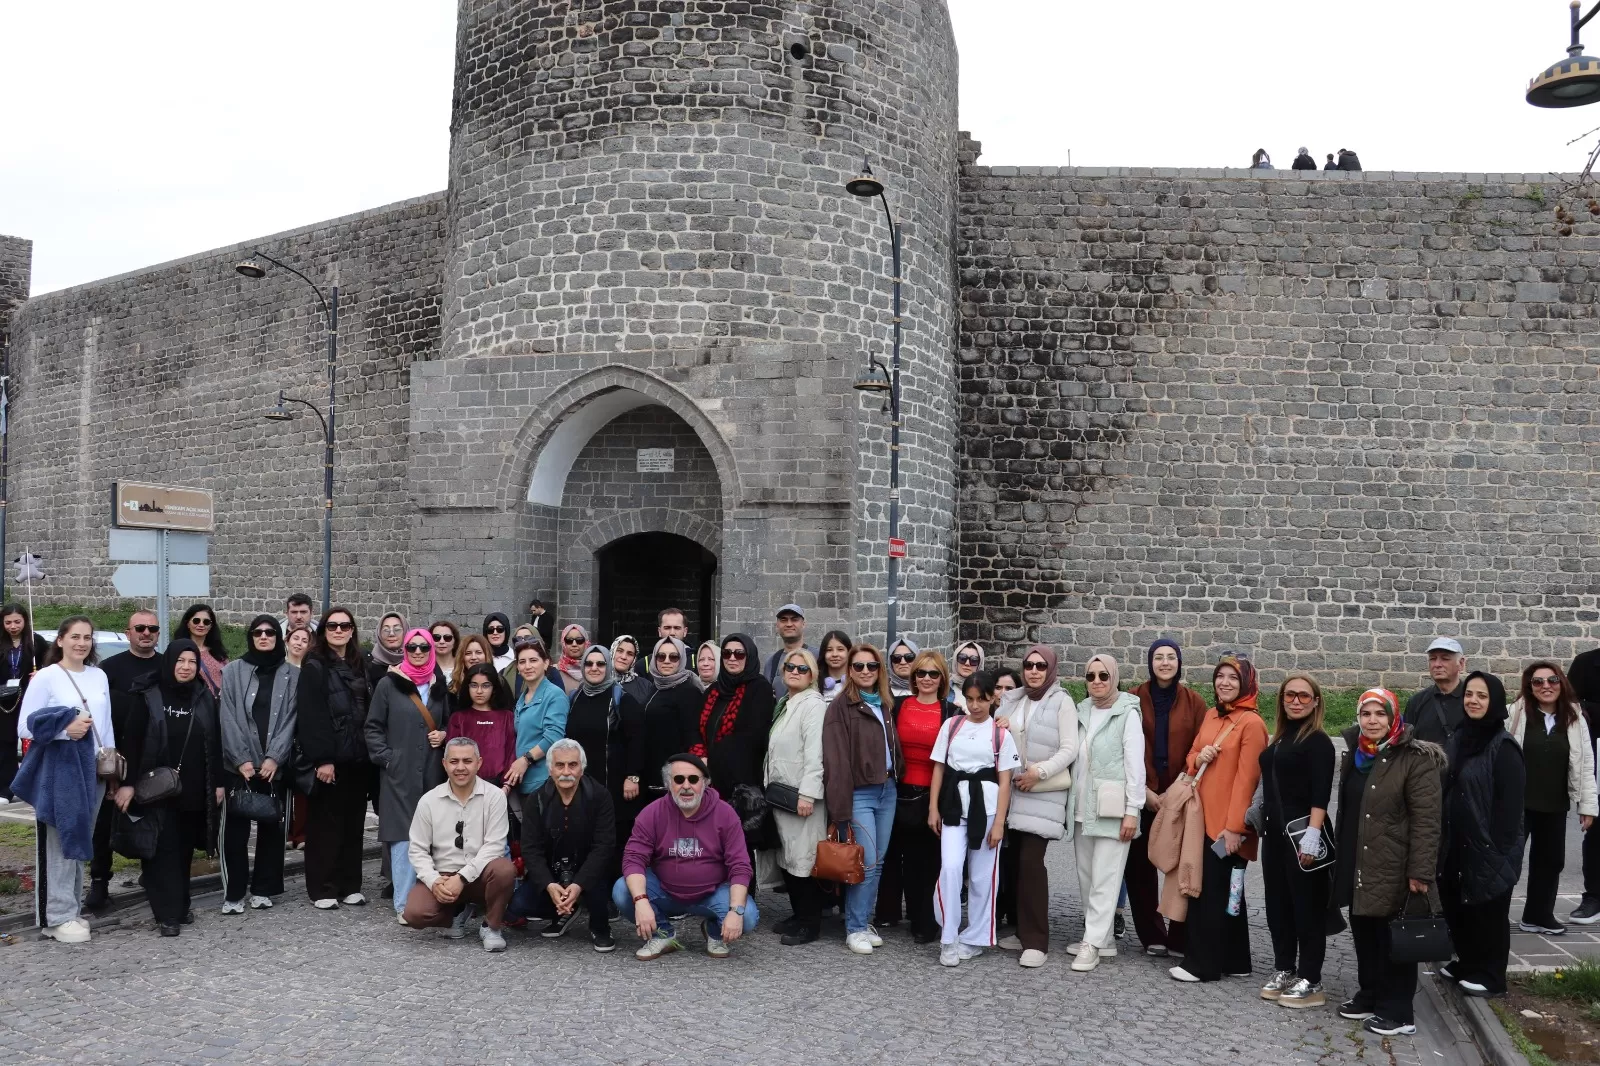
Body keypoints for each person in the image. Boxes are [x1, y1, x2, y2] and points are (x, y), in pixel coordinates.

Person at [1332, 688, 1443, 1037]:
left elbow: (1427, 820)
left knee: (1392, 937)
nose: (1373, 720)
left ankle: (1398, 1012)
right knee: (1364, 932)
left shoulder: (1414, 758)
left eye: (1380, 714)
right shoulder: (1356, 755)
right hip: (1358, 860)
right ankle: (1370, 994)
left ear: (1393, 717)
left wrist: (1420, 871)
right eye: (1366, 714)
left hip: (1394, 864)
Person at [1169, 654, 1268, 983]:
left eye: (1233, 678)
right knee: (1230, 893)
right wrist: (1202, 755)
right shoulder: (1212, 714)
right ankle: (1236, 960)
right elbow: (1191, 756)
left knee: (1211, 893)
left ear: (1246, 684)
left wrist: (1235, 829)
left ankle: (1203, 965)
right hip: (1203, 819)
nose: (1224, 682)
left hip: (1226, 828)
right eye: (1220, 676)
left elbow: (1247, 780)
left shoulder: (1252, 724)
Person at [114, 639, 224, 936]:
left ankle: (181, 905)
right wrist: (126, 785)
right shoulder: (148, 696)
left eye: (191, 662)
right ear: (169, 663)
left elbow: (215, 742)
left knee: (185, 850)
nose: (186, 667)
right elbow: (132, 743)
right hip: (155, 790)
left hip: (192, 789)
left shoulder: (203, 696)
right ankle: (166, 914)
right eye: (180, 661)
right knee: (161, 851)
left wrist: (218, 783)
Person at [16, 616, 111, 943]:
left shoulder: (99, 675)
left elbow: (106, 724)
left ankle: (69, 909)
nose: (81, 643)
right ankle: (54, 916)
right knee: (58, 842)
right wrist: (63, 731)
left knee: (79, 843)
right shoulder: (46, 677)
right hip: (60, 771)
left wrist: (108, 763)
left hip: (93, 771)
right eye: (75, 637)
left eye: (87, 637)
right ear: (61, 640)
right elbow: (25, 726)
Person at [611, 753, 759, 959]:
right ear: (668, 784)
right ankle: (663, 935)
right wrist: (641, 901)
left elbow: (740, 865)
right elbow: (633, 858)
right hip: (664, 890)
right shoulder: (651, 813)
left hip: (712, 893)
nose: (686, 786)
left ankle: (714, 932)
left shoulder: (725, 814)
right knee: (622, 890)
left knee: (748, 916)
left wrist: (735, 911)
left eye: (694, 779)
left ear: (706, 783)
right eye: (678, 779)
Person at [1439, 671, 1525, 998]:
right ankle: (1468, 962)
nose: (1473, 701)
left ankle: (1491, 975)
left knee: (1488, 912)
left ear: (1495, 702)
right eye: (1469, 694)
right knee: (1459, 907)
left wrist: (1498, 851)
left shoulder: (1503, 747)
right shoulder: (1460, 737)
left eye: (1482, 696)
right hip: (1457, 843)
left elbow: (1511, 808)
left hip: (1489, 847)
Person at [928, 668, 1020, 966]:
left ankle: (976, 937)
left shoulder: (1001, 734)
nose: (975, 705)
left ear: (993, 697)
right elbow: (939, 768)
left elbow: (1005, 781)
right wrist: (933, 808)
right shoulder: (951, 726)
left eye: (981, 699)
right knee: (951, 868)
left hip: (988, 809)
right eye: (970, 699)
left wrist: (999, 823)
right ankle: (948, 935)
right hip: (954, 807)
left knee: (982, 878)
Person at [993, 645, 1076, 968]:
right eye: (1029, 665)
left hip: (1042, 792)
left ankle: (1037, 941)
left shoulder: (1062, 702)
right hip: (1014, 792)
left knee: (1031, 863)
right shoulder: (1014, 700)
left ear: (1051, 669)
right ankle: (1023, 931)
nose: (1034, 671)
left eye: (1041, 666)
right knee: (1015, 864)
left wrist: (1038, 772)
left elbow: (1069, 748)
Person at [1257, 673, 1337, 1008]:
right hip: (1275, 834)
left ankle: (1311, 978)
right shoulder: (1280, 737)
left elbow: (1321, 794)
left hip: (1304, 833)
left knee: (1307, 907)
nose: (1296, 700)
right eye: (1290, 695)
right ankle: (1284, 967)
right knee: (1278, 905)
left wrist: (1313, 837)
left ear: (1316, 702)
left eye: (1304, 696)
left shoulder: (1318, 741)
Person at [1062, 654, 1143, 973]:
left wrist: (1132, 810)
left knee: (1106, 878)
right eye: (1091, 676)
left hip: (1113, 808)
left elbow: (1135, 765)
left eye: (1103, 676)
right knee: (1087, 877)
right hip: (1082, 808)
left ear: (1115, 678)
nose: (1097, 681)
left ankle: (1092, 944)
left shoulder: (1127, 712)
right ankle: (1104, 937)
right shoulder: (1081, 711)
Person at [1127, 638, 1207, 957]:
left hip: (1180, 794)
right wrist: (1144, 792)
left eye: (1170, 657)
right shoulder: (1133, 698)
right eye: (1158, 657)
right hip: (1142, 792)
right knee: (1138, 866)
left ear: (1179, 663)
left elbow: (1199, 745)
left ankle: (1179, 936)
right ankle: (1153, 935)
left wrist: (1177, 791)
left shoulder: (1194, 702)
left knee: (1178, 866)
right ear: (1150, 663)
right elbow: (1127, 746)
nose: (1164, 663)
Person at [400, 737, 517, 952]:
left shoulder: (495, 796)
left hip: (481, 874)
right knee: (414, 914)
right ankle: (455, 912)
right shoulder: (428, 801)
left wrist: (462, 878)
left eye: (467, 761)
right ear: (444, 764)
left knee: (504, 869)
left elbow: (495, 846)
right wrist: (434, 881)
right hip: (443, 875)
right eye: (454, 761)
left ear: (479, 763)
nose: (460, 767)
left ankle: (491, 927)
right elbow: (417, 849)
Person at [365, 628, 451, 921]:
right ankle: (403, 903)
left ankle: (431, 898)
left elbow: (452, 723)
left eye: (423, 647)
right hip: (399, 773)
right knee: (403, 837)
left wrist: (445, 734)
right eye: (412, 647)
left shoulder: (440, 686)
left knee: (432, 835)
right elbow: (373, 726)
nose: (417, 652)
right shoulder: (388, 685)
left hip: (433, 769)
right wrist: (389, 759)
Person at [1506, 660, 1596, 935]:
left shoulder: (1575, 717)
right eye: (1538, 681)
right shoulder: (1515, 713)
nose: (1546, 686)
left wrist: (1588, 805)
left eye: (1552, 680)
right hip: (1518, 803)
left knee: (1550, 862)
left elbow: (1585, 764)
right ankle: (1494, 916)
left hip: (1555, 804)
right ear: (1530, 687)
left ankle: (1538, 915)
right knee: (1509, 862)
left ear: (1561, 683)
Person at [821, 642, 899, 955]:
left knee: (876, 862)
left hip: (888, 789)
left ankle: (863, 921)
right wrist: (840, 808)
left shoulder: (885, 703)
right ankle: (854, 927)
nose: (865, 671)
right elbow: (836, 761)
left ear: (879, 670)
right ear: (850, 671)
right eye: (858, 666)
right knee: (864, 862)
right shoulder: (841, 707)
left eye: (872, 666)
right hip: (859, 793)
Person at [877, 649, 959, 941]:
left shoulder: (952, 712)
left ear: (942, 679)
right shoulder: (897, 706)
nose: (926, 678)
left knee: (924, 860)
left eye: (933, 673)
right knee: (890, 854)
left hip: (931, 793)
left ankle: (923, 919)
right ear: (913, 678)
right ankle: (886, 913)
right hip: (896, 789)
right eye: (920, 673)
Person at [217, 616, 297, 914]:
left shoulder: (292, 675)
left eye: (270, 633)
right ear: (251, 637)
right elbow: (228, 716)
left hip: (273, 765)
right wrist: (242, 760)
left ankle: (263, 889)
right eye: (258, 633)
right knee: (235, 832)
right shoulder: (234, 671)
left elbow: (291, 719)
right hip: (239, 766)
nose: (264, 637)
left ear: (278, 637)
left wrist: (274, 756)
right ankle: (234, 893)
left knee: (272, 830)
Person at [294, 608, 373, 909]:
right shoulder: (314, 665)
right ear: (323, 629)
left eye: (344, 625)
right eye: (332, 625)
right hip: (331, 758)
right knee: (325, 826)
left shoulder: (360, 662)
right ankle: (323, 888)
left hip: (358, 756)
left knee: (354, 824)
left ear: (352, 630)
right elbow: (311, 715)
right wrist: (323, 759)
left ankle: (350, 884)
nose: (338, 630)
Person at [86, 609, 160, 910]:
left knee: (148, 819)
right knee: (103, 826)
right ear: (128, 633)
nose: (146, 633)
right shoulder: (109, 669)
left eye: (152, 628)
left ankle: (151, 875)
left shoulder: (166, 666)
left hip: (150, 757)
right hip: (111, 757)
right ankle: (100, 883)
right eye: (139, 628)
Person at [514, 738, 617, 951]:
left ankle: (599, 925)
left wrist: (578, 884)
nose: (566, 771)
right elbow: (530, 848)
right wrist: (549, 884)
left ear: (582, 768)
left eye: (573, 765)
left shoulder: (600, 797)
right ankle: (562, 912)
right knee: (519, 905)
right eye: (559, 765)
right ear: (550, 769)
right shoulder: (537, 799)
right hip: (552, 871)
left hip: (589, 871)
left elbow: (604, 846)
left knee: (597, 890)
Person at [764, 647, 828, 945]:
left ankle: (809, 923)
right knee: (789, 858)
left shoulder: (814, 705)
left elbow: (816, 754)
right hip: (782, 795)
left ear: (812, 674)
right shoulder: (785, 703)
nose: (795, 671)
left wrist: (808, 795)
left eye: (802, 668)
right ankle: (798, 914)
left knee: (804, 860)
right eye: (790, 666)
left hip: (801, 796)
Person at [565, 645, 645, 869]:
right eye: (589, 663)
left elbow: (637, 740)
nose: (594, 668)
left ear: (608, 666)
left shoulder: (621, 699)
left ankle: (615, 893)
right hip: (582, 784)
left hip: (614, 784)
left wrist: (633, 776)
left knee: (613, 839)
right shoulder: (576, 696)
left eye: (600, 663)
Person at [689, 635, 775, 839]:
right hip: (710, 780)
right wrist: (700, 755)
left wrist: (714, 756)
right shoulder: (713, 691)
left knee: (740, 846)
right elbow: (695, 728)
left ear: (750, 656)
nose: (732, 658)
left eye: (739, 653)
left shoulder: (759, 688)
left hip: (741, 782)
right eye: (727, 653)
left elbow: (753, 734)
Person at [507, 638, 569, 810]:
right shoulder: (523, 698)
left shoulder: (554, 695)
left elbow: (554, 736)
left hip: (544, 781)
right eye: (522, 662)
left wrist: (526, 760)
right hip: (525, 781)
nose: (527, 666)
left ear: (546, 663)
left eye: (533, 660)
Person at [639, 637, 700, 803]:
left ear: (682, 660)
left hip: (672, 779)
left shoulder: (689, 691)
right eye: (661, 656)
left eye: (673, 657)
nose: (666, 661)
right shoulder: (656, 686)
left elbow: (692, 736)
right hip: (649, 774)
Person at [0, 603, 50, 804]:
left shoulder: (36, 641)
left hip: (29, 697)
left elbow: (53, 661)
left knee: (32, 742)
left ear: (25, 621)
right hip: (4, 701)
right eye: (8, 622)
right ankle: (6, 788)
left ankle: (34, 785)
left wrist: (42, 672)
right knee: (5, 744)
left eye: (17, 622)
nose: (13, 626)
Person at [447, 664, 518, 788]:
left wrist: (506, 787)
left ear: (494, 688)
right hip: (465, 786)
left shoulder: (506, 717)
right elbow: (451, 757)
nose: (479, 691)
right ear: (467, 687)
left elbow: (511, 753)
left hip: (499, 786)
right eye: (474, 685)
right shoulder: (458, 718)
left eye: (485, 686)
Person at [1569, 643, 1600, 924]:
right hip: (1597, 754)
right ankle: (1594, 897)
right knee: (1598, 831)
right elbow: (1571, 706)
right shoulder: (1585, 664)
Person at [1403, 637, 1468, 748]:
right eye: (1433, 659)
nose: (1437, 664)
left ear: (1461, 664)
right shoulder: (1416, 702)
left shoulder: (1472, 701)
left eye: (1445, 658)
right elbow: (1405, 743)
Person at [177, 603, 228, 696]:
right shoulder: (179, 651)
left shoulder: (218, 652)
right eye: (196, 621)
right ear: (188, 623)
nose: (201, 625)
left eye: (206, 622)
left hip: (220, 705)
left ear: (211, 626)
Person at [762, 604, 812, 686]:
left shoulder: (817, 656)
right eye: (783, 620)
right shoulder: (771, 662)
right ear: (777, 625)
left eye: (794, 619)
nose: (789, 624)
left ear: (803, 624)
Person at [366, 613, 407, 687]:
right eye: (386, 630)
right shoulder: (368, 664)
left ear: (405, 632)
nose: (391, 634)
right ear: (379, 634)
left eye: (397, 629)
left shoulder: (415, 662)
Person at [609, 635, 653, 705]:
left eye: (630, 654)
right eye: (620, 651)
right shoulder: (599, 681)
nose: (623, 657)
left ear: (634, 659)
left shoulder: (645, 686)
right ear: (612, 652)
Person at [455, 633, 496, 704]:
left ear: (487, 655)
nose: (473, 657)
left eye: (478, 652)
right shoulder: (455, 685)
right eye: (468, 653)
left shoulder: (499, 681)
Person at [552, 624, 589, 695]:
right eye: (569, 640)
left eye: (579, 640)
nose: (574, 644)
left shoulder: (595, 669)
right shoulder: (553, 671)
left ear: (586, 643)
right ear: (563, 643)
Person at [949, 640, 985, 710]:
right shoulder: (943, 688)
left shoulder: (987, 690)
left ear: (979, 664)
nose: (967, 663)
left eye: (974, 660)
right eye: (962, 658)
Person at [817, 630, 852, 701]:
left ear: (849, 652)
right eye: (829, 650)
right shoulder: (815, 684)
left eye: (840, 649)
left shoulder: (858, 682)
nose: (835, 654)